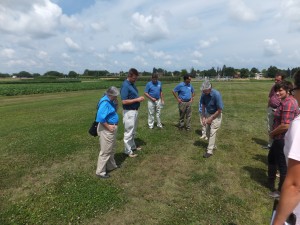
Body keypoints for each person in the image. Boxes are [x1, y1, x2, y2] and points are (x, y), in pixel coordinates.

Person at [272, 71, 300, 225]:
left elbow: (295, 185)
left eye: (295, 90)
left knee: (283, 167)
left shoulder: (298, 126)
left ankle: (278, 189)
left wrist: (277, 222)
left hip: (294, 209)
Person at [268, 80, 299, 198]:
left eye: (280, 90)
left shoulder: (289, 103)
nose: (277, 93)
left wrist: (272, 133)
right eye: (276, 90)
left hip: (282, 138)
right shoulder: (284, 101)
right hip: (279, 137)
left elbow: (285, 125)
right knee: (271, 158)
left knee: (282, 166)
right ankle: (270, 182)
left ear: (288, 90)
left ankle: (281, 192)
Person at [95, 86, 120, 179]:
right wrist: (108, 127)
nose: (116, 98)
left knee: (111, 149)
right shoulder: (105, 102)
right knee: (105, 151)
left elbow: (113, 111)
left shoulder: (110, 101)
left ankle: (111, 166)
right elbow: (100, 118)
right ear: (110, 94)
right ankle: (100, 172)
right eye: (115, 96)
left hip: (111, 127)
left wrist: (116, 104)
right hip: (107, 129)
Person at [120, 68, 145, 158]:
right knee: (128, 132)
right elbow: (124, 101)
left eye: (136, 78)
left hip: (134, 111)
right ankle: (127, 151)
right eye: (134, 78)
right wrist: (137, 99)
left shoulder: (132, 84)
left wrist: (138, 99)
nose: (135, 80)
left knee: (133, 131)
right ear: (129, 76)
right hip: (129, 112)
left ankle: (133, 147)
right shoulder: (125, 85)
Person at [200, 80, 224, 158]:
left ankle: (209, 151)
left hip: (216, 114)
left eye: (205, 91)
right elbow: (203, 105)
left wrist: (211, 118)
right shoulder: (203, 94)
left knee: (212, 132)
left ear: (210, 89)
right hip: (208, 113)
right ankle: (213, 145)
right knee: (207, 132)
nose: (204, 92)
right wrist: (203, 117)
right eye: (203, 91)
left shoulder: (216, 94)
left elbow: (220, 110)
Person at [265, 73, 285, 149]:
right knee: (270, 127)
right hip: (271, 109)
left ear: (282, 80)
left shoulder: (285, 89)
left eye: (278, 80)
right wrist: (268, 107)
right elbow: (270, 97)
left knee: (278, 128)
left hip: (279, 110)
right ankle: (270, 145)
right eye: (275, 80)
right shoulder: (273, 87)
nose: (276, 81)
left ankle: (278, 146)